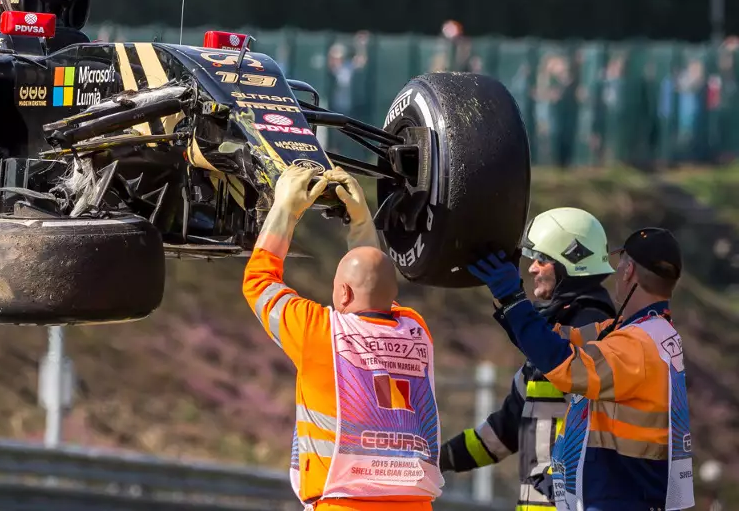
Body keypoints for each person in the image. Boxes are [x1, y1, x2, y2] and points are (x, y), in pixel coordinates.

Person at [243, 163, 443, 510]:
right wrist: (362, 221)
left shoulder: (319, 333)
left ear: (344, 295)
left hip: (343, 502)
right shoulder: (416, 331)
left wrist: (285, 209)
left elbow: (259, 282)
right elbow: (377, 288)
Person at [468, 227, 694, 511]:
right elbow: (554, 340)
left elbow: (564, 365)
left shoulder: (637, 345)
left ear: (628, 271)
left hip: (620, 497)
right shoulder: (646, 332)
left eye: (620, 261)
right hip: (628, 493)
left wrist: (514, 298)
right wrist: (510, 304)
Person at [439, 207, 615, 511]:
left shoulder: (598, 329)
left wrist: (513, 302)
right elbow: (502, 434)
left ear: (571, 260)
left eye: (542, 259)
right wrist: (436, 460)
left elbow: (556, 354)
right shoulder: (546, 343)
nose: (532, 269)